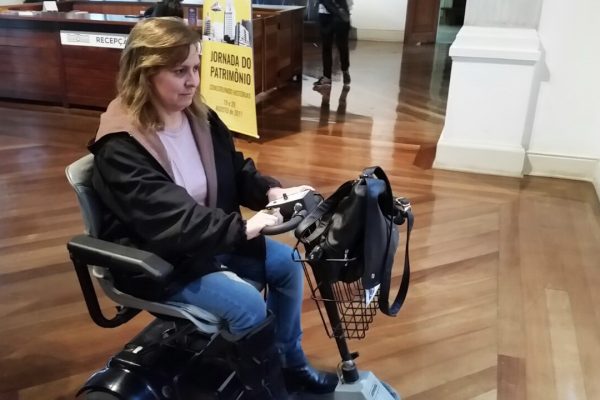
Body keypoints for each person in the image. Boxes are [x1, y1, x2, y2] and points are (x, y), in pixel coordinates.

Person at [88, 17, 338, 396]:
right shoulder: (121, 146)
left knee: (288, 265)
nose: (193, 81)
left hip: (206, 242)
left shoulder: (198, 116)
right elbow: (172, 221)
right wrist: (246, 227)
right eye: (180, 71)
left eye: (195, 68)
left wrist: (270, 193)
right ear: (144, 73)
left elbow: (234, 170)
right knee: (248, 306)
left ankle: (290, 364)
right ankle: (269, 390)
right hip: (161, 261)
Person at [314, 0, 351, 86]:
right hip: (338, 15)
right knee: (341, 46)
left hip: (331, 16)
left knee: (330, 47)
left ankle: (328, 77)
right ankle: (344, 70)